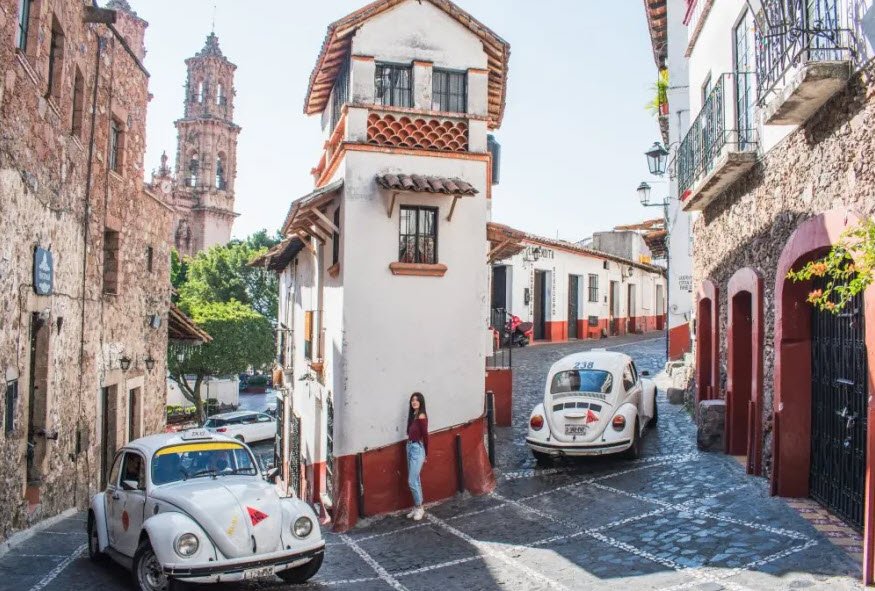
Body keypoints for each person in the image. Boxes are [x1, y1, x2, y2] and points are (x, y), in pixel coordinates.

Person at [406, 392, 429, 521]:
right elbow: (409, 433)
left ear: (421, 402)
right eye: (412, 400)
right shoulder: (413, 415)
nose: (414, 402)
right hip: (409, 447)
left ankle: (419, 507)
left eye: (416, 400)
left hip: (417, 449)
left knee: (411, 481)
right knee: (416, 479)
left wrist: (426, 453)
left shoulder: (421, 416)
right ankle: (417, 506)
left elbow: (425, 435)